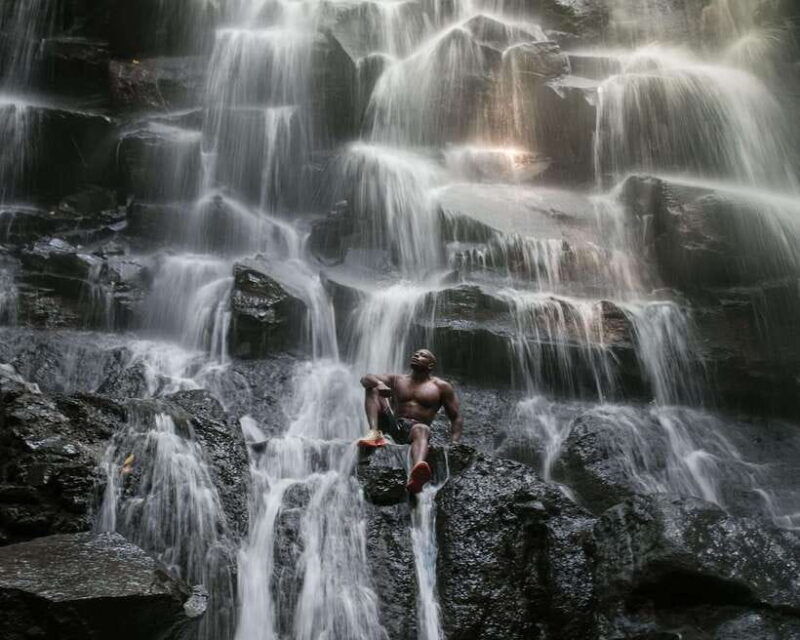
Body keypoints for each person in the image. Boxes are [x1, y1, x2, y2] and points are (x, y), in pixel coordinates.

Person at [359, 348, 463, 494]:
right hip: (393, 425)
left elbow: (456, 416)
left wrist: (455, 444)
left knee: (423, 429)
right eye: (415, 354)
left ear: (431, 365)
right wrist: (379, 384)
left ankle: (417, 472)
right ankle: (374, 433)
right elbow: (365, 378)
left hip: (416, 430)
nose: (416, 356)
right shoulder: (397, 379)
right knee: (372, 388)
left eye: (422, 355)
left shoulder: (441, 387)